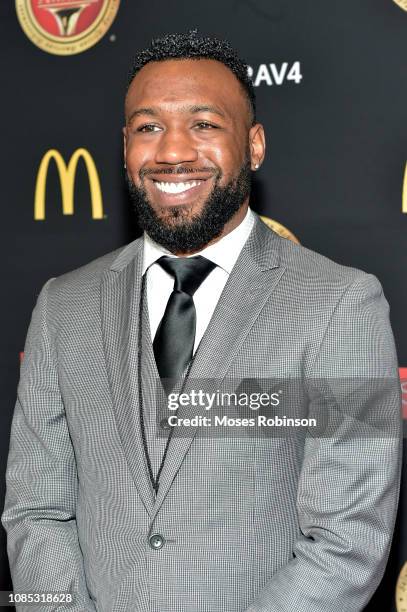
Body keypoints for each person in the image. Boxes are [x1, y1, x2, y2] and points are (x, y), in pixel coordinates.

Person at [2, 31, 402, 612]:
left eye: (205, 124)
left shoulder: (342, 303)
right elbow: (37, 511)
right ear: (124, 147)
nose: (172, 152)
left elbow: (348, 540)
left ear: (255, 144)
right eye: (148, 127)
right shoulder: (62, 305)